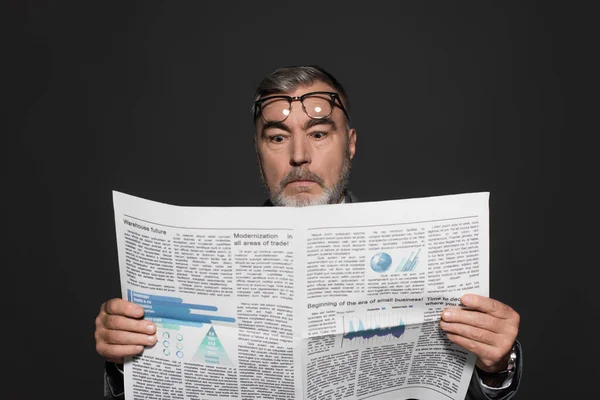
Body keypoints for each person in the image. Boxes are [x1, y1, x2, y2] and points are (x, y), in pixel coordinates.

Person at [96, 65, 522, 399]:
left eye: (318, 134)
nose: (299, 156)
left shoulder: (419, 254)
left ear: (350, 144)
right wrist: (123, 361)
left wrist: (496, 365)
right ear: (258, 152)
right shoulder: (192, 264)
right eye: (278, 138)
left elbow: (457, 389)